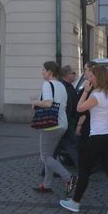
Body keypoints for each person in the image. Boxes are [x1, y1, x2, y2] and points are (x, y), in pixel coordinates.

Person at [59, 64, 108, 214]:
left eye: (91, 77)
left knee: (84, 171)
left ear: (98, 78)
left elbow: (79, 108)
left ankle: (75, 202)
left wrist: (86, 92)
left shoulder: (96, 95)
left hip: (96, 137)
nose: (89, 79)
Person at [32, 61, 77, 195]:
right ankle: (46, 185)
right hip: (62, 124)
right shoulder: (61, 85)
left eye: (43, 70)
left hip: (51, 125)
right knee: (50, 155)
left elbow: (48, 103)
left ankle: (69, 178)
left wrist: (35, 102)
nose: (42, 72)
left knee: (45, 157)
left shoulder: (47, 84)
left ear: (50, 72)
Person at [54, 64, 80, 167]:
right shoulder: (62, 86)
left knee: (57, 147)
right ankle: (83, 171)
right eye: (74, 73)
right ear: (67, 75)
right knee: (72, 146)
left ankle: (46, 170)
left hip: (67, 121)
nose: (75, 75)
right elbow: (66, 106)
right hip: (66, 122)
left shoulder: (69, 86)